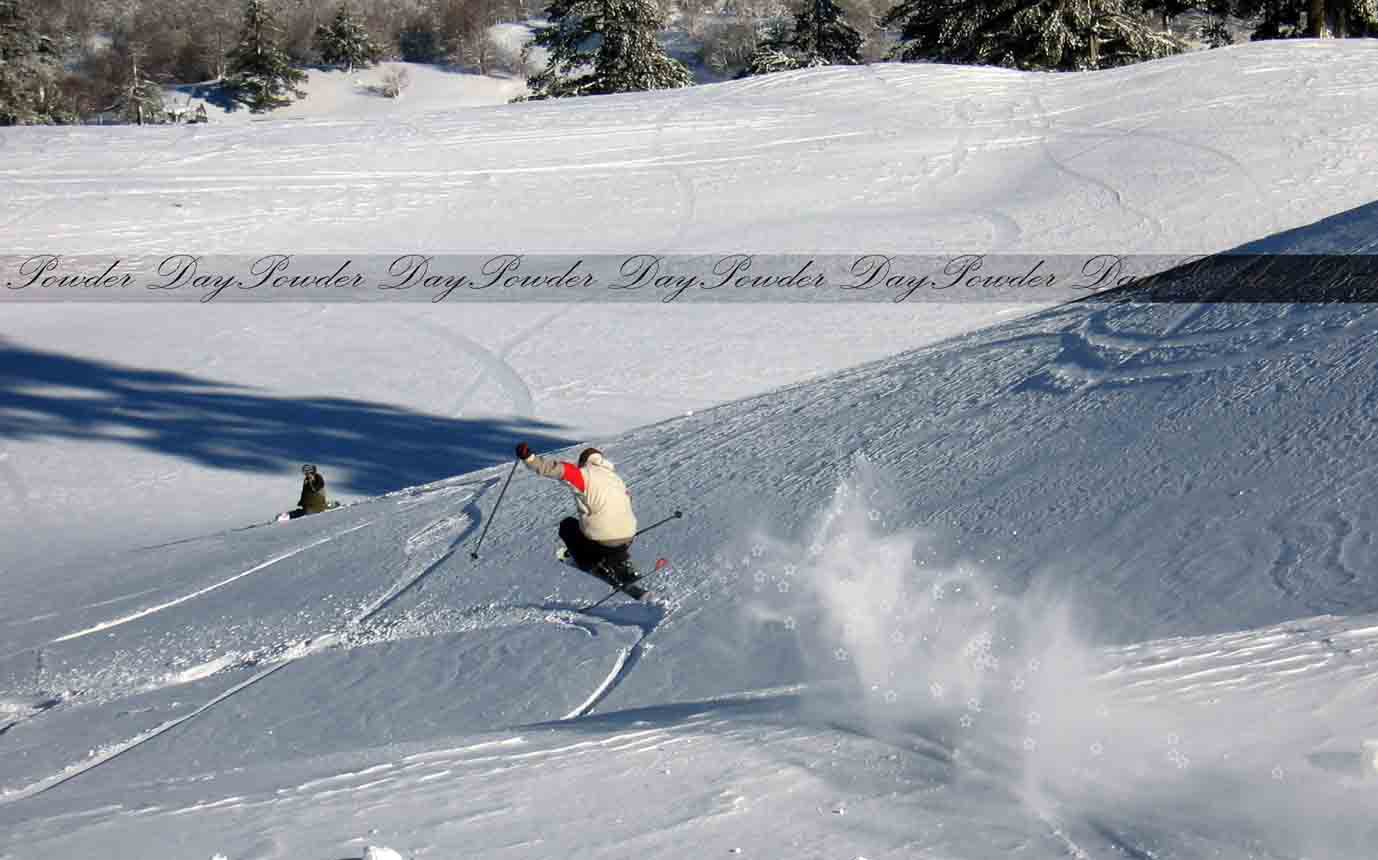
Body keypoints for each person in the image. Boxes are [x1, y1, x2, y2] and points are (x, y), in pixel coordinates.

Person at [516, 443, 638, 584]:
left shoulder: (582, 474)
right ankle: (620, 562)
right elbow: (627, 500)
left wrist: (529, 459)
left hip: (604, 537)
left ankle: (591, 564)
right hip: (629, 535)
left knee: (567, 526)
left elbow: (555, 469)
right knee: (608, 531)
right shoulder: (616, 478)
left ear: (583, 462)